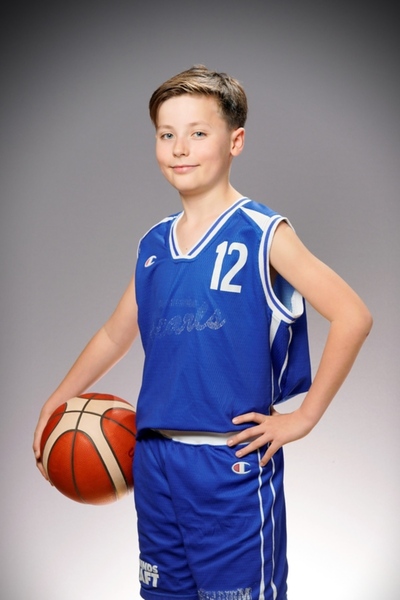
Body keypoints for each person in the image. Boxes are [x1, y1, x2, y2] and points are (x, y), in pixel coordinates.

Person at [33, 65, 372, 600]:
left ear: (235, 141)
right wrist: (57, 401)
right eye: (166, 134)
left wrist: (304, 417)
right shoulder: (153, 243)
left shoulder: (262, 232)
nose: (179, 148)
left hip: (229, 461)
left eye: (197, 132)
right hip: (154, 460)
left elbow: (353, 315)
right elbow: (115, 335)